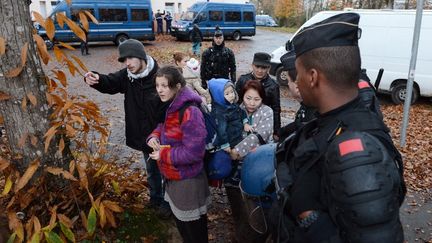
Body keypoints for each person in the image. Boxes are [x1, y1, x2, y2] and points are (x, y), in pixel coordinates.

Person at [274, 13, 406, 242]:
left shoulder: (357, 151)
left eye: (298, 74)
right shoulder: (329, 121)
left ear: (313, 77)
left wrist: (309, 221)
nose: (294, 83)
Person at [83, 39, 171, 218]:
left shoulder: (160, 77)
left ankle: (170, 203)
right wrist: (97, 78)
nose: (127, 63)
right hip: (144, 135)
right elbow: (110, 82)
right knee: (152, 170)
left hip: (164, 136)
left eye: (130, 58)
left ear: (141, 56)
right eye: (124, 60)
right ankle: (155, 199)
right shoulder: (127, 76)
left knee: (168, 170)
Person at [147, 65, 210, 243]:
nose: (159, 90)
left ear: (177, 87)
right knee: (185, 228)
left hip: (187, 182)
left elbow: (195, 152)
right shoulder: (172, 104)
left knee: (193, 232)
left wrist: (163, 155)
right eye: (157, 85)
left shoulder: (190, 112)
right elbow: (164, 127)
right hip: (173, 178)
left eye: (164, 86)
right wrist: (154, 136)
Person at [225, 80, 274, 243]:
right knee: (234, 191)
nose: (251, 103)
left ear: (262, 99)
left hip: (257, 165)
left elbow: (260, 136)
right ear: (242, 97)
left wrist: (237, 151)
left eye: (256, 99)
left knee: (254, 200)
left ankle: (254, 229)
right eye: (248, 98)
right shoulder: (236, 111)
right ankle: (238, 221)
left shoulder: (267, 112)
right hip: (236, 163)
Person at [236, 52, 281, 141]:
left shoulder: (273, 85)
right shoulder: (243, 80)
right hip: (242, 119)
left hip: (262, 121)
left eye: (263, 68)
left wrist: (277, 131)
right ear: (252, 65)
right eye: (257, 66)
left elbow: (276, 109)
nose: (260, 71)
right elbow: (236, 102)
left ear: (269, 68)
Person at [278, 50, 315, 141]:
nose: (288, 85)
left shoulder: (313, 114)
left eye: (288, 81)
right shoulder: (310, 104)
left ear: (297, 85)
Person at [208, 78, 248, 152]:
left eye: (232, 92)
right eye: (227, 94)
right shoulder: (219, 112)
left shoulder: (231, 104)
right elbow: (221, 130)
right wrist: (225, 145)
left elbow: (241, 112)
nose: (231, 95)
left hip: (238, 136)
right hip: (230, 140)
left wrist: (245, 122)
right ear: (218, 96)